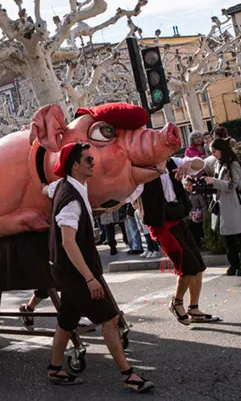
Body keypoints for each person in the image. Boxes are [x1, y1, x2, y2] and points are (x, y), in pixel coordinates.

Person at [45, 142, 154, 392]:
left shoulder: (67, 186)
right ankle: (128, 376)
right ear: (75, 166)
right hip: (75, 272)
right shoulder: (70, 198)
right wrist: (90, 279)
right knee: (110, 318)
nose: (93, 163)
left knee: (67, 319)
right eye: (88, 161)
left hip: (67, 270)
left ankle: (54, 369)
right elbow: (68, 241)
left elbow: (47, 189)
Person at [139, 155, 220, 326]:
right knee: (188, 267)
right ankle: (176, 303)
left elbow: (201, 164)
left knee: (198, 268)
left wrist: (190, 163)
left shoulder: (172, 162)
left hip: (178, 219)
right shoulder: (141, 169)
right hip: (161, 226)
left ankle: (194, 309)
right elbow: (128, 193)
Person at [204, 139, 241, 276]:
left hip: (232, 203)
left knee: (238, 235)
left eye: (214, 151)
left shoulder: (234, 164)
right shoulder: (218, 164)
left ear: (222, 150)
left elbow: (233, 185)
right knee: (228, 237)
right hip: (223, 203)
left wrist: (215, 182)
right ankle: (234, 264)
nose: (213, 154)